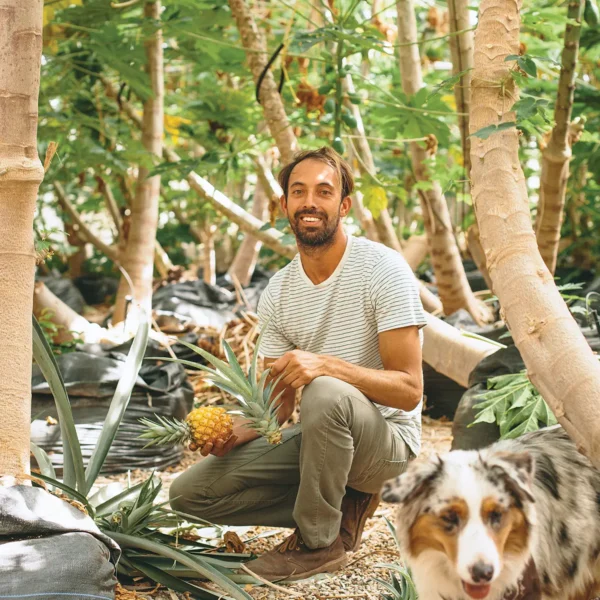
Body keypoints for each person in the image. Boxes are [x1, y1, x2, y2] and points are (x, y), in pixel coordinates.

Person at [169, 147, 427, 581]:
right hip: (325, 437)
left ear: (343, 206)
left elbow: (409, 390)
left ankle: (318, 544)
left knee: (325, 390)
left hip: (386, 442)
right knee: (190, 494)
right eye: (298, 191)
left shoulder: (384, 269)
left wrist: (326, 366)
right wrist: (238, 430)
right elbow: (279, 408)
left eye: (324, 192)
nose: (310, 201)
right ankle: (340, 504)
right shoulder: (279, 291)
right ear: (283, 205)